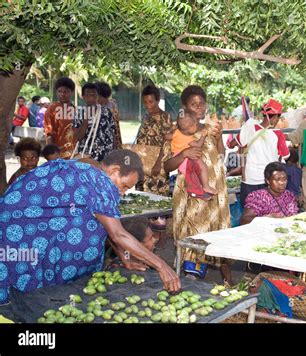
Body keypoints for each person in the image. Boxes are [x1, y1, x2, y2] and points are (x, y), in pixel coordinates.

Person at [0, 150, 180, 304]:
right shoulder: (101, 182)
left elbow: (106, 226)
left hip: (22, 217)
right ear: (115, 170)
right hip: (21, 225)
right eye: (124, 186)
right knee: (21, 279)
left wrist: (123, 256)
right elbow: (118, 234)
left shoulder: (90, 167)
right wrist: (162, 267)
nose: (122, 193)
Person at [163, 85, 232, 284]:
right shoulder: (178, 133)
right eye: (194, 104)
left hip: (215, 189)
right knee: (194, 233)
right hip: (191, 194)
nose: (199, 108)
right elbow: (166, 166)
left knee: (219, 231)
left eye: (202, 103)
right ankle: (190, 280)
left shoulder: (211, 130)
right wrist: (184, 154)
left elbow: (220, 156)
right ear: (185, 107)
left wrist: (219, 139)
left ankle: (227, 280)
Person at [229, 98, 290, 206]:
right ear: (275, 117)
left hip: (249, 180)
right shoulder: (278, 134)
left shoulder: (250, 127)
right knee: (267, 213)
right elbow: (286, 156)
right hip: (268, 181)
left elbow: (231, 144)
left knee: (248, 213)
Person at [135, 84, 173, 195]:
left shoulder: (165, 117)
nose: (148, 105)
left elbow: (167, 143)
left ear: (157, 101)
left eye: (151, 102)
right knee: (142, 198)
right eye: (145, 102)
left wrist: (158, 164)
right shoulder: (146, 117)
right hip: (143, 165)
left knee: (157, 199)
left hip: (157, 166)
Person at [73, 83, 116, 162]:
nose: (91, 99)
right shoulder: (79, 113)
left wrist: (114, 153)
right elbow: (77, 138)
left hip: (105, 155)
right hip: (87, 156)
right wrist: (86, 120)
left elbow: (112, 134)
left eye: (94, 95)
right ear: (83, 97)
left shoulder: (106, 112)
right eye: (88, 96)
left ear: (98, 96)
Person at [44, 77, 76, 159]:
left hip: (74, 152)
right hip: (58, 152)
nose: (62, 94)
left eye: (66, 92)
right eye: (59, 91)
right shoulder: (52, 109)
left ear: (71, 92)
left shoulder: (76, 110)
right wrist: (51, 153)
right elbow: (49, 133)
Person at [96, 82, 122, 149]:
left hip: (109, 144)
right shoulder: (113, 103)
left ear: (100, 96)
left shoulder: (105, 111)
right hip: (116, 142)